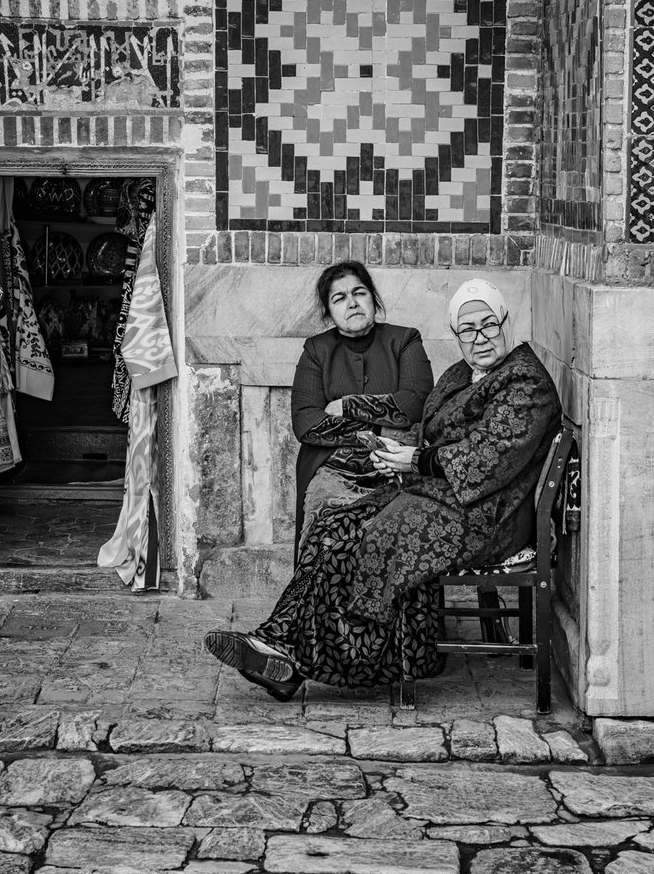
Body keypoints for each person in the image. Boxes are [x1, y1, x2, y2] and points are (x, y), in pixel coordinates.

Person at [204, 278, 562, 703]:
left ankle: (295, 659)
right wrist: (399, 448)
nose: (480, 338)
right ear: (457, 336)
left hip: (489, 514)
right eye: (468, 330)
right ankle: (276, 648)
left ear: (505, 321)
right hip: (445, 495)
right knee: (331, 526)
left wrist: (409, 458)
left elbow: (484, 459)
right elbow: (318, 422)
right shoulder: (463, 374)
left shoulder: (525, 385)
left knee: (361, 539)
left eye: (488, 325)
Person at [290, 260, 434, 562]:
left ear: (373, 299)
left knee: (402, 533)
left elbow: (415, 402)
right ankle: (330, 611)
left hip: (397, 466)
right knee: (326, 531)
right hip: (333, 471)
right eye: (339, 298)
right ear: (329, 313)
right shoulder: (316, 350)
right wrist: (380, 430)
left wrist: (347, 406)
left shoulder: (405, 340)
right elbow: (305, 421)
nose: (352, 303)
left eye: (360, 293)